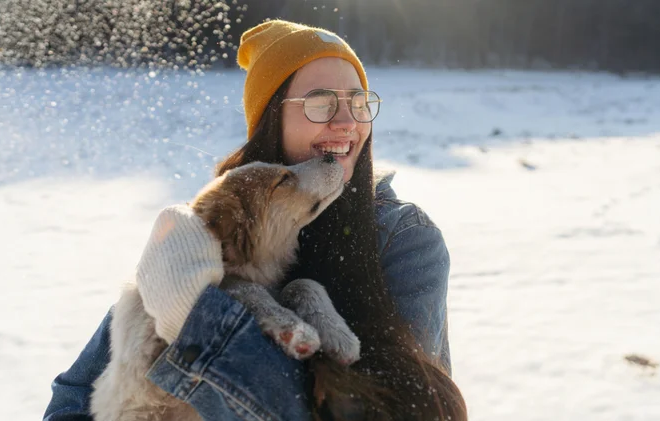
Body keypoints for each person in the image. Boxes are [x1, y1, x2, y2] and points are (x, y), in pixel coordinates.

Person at [44, 20, 460, 421]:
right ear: (271, 117)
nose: (348, 122)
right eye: (320, 102)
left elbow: (400, 411)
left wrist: (195, 319)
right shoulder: (207, 231)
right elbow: (72, 401)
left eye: (358, 101)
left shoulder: (404, 239)